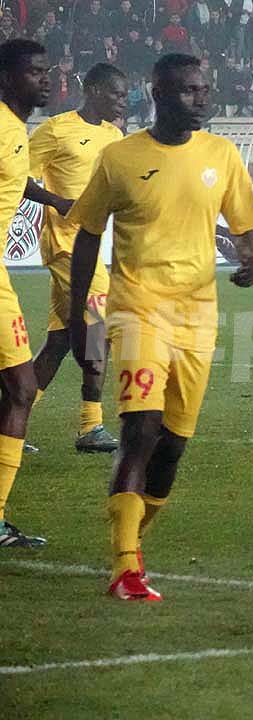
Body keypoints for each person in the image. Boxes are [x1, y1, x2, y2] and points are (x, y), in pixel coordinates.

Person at [66, 53, 253, 601]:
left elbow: (246, 224)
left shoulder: (221, 154)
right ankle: (125, 566)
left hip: (198, 315)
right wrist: (79, 311)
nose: (201, 99)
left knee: (172, 447)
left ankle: (130, 538)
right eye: (188, 91)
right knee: (141, 431)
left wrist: (250, 257)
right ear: (158, 93)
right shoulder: (119, 157)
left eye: (204, 89)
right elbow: (87, 232)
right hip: (138, 307)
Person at [27, 63, 127, 455]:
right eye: (116, 94)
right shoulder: (56, 130)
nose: (122, 102)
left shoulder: (114, 135)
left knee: (60, 341)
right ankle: (91, 425)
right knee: (101, 327)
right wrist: (56, 201)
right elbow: (17, 175)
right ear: (95, 90)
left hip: (90, 246)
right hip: (64, 245)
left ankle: (8, 422)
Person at [0, 40, 54, 549]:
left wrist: (57, 199)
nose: (45, 78)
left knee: (20, 389)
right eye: (34, 71)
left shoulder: (16, 131)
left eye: (46, 70)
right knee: (20, 389)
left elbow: (16, 184)